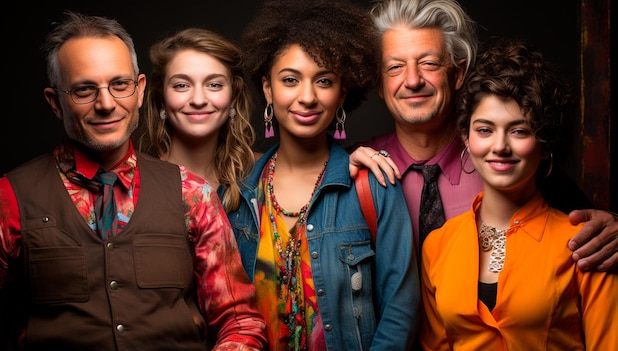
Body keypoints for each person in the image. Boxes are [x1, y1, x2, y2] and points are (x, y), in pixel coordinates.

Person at [0, 11, 266, 350]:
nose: (106, 104)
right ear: (55, 102)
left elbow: (238, 321)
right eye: (83, 90)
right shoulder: (6, 198)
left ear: (138, 91)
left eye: (119, 85)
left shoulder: (191, 194)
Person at [349, 0, 618, 271]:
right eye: (395, 67)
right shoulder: (356, 167)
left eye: (429, 63)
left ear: (458, 73)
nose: (413, 80)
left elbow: (591, 225)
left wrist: (614, 228)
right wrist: (330, 177)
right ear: (379, 84)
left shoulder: (506, 159)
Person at [227, 0, 420, 349]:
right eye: (290, 80)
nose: (307, 97)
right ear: (268, 88)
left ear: (341, 93)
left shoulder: (374, 185)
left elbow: (400, 312)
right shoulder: (239, 196)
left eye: (324, 81)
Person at [420, 37, 618, 350]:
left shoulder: (586, 244)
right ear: (466, 138)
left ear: (544, 143)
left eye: (519, 130)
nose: (500, 146)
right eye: (485, 130)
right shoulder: (438, 246)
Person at [136, 27, 256, 213]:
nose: (198, 100)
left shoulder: (262, 177)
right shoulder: (135, 181)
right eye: (182, 85)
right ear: (161, 98)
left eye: (214, 85)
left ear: (233, 97)